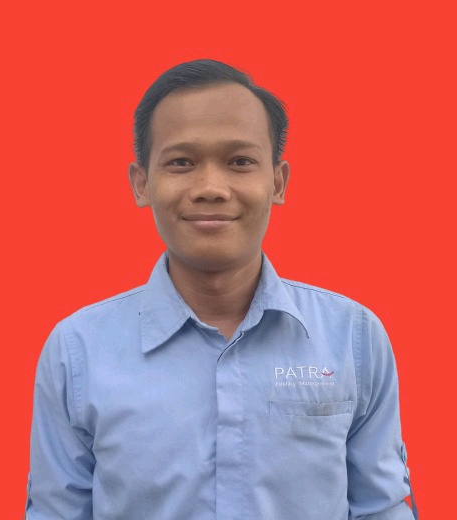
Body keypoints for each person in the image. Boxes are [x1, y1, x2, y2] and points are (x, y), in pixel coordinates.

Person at [26, 59, 417, 519]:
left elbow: (381, 508)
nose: (211, 187)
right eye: (181, 162)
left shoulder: (352, 337)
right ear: (142, 184)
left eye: (239, 162)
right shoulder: (77, 352)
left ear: (277, 182)